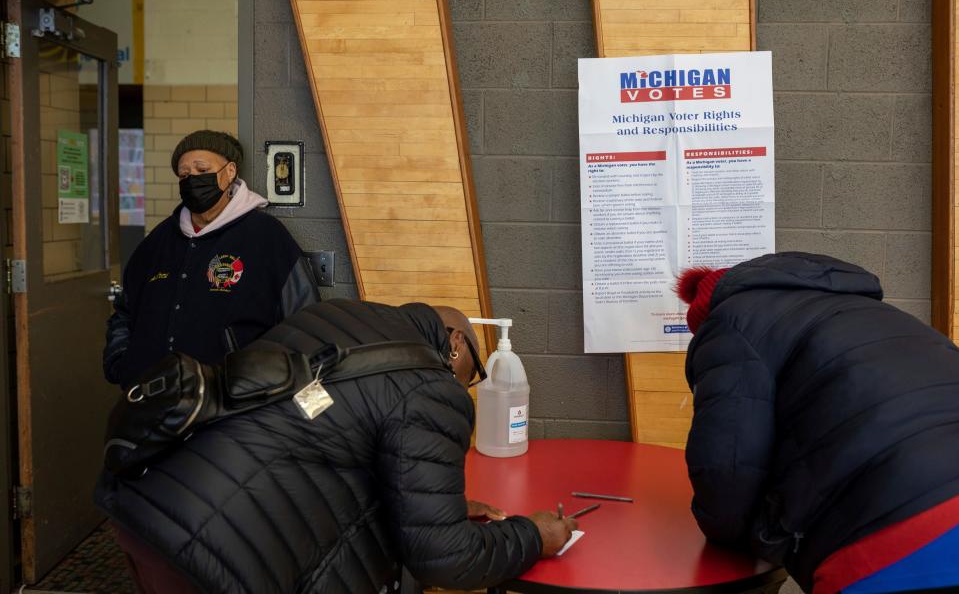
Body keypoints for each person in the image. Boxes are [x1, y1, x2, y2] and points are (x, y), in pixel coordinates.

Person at [95, 298, 576, 593]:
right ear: (454, 344)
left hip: (149, 501)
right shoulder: (432, 386)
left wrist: (442, 505)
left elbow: (323, 441)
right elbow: (443, 558)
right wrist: (534, 537)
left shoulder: (339, 315)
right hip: (216, 549)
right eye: (475, 371)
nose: (468, 384)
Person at [675, 252, 959, 594]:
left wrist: (750, 541)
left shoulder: (731, 321)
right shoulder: (872, 312)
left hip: (898, 528)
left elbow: (728, 463)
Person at [103, 130, 319, 388]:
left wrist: (283, 385)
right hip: (152, 398)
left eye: (202, 169)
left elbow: (304, 318)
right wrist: (121, 362)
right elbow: (124, 312)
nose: (192, 179)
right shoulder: (158, 241)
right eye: (184, 174)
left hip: (230, 403)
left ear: (229, 172)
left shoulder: (266, 237)